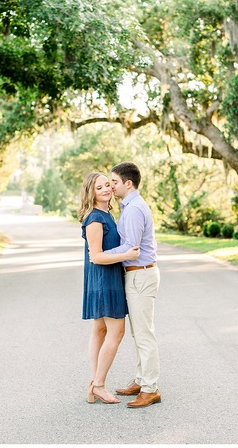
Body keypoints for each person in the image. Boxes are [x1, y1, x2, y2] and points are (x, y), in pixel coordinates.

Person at [78, 171, 140, 404]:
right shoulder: (95, 219)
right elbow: (96, 257)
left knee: (100, 331)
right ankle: (99, 385)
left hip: (107, 278)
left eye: (107, 185)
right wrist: (126, 254)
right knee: (116, 332)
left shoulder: (106, 215)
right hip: (104, 280)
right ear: (90, 192)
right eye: (99, 187)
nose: (105, 189)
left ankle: (94, 383)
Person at [105, 162, 162, 408]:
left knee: (144, 334)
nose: (111, 186)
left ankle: (151, 389)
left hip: (141, 274)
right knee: (138, 332)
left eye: (114, 182)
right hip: (137, 274)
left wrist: (100, 253)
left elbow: (132, 248)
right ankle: (141, 380)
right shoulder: (130, 207)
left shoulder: (134, 209)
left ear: (128, 183)